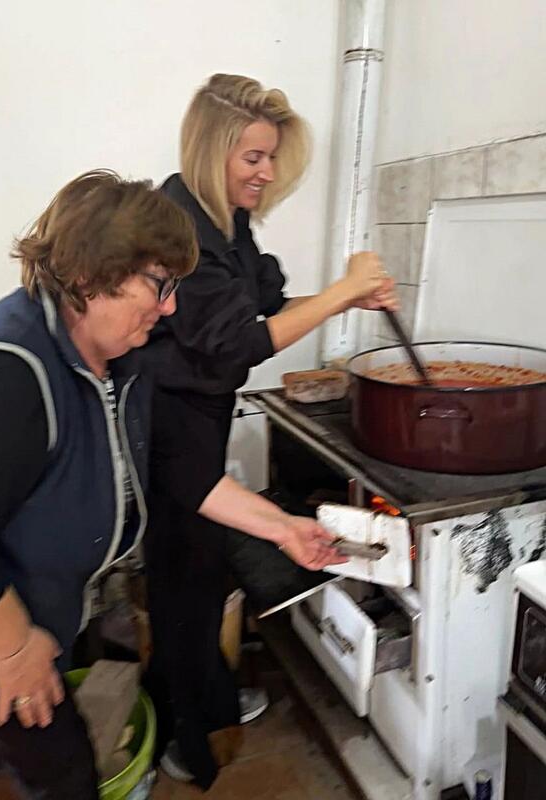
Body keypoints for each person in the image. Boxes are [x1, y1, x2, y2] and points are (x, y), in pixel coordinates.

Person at [0, 169, 348, 800]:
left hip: (23, 621)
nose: (171, 308)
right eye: (160, 286)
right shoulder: (11, 371)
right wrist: (13, 650)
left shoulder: (122, 358)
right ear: (89, 275)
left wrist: (284, 529)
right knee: (66, 774)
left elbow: (181, 471)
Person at [143, 73, 398, 789]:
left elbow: (269, 306)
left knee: (198, 575)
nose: (267, 172)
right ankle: (188, 740)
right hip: (167, 424)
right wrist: (343, 292)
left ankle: (195, 708)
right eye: (252, 156)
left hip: (201, 415)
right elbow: (241, 344)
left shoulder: (226, 220)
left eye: (273, 157)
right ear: (212, 150)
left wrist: (351, 301)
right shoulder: (178, 227)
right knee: (184, 584)